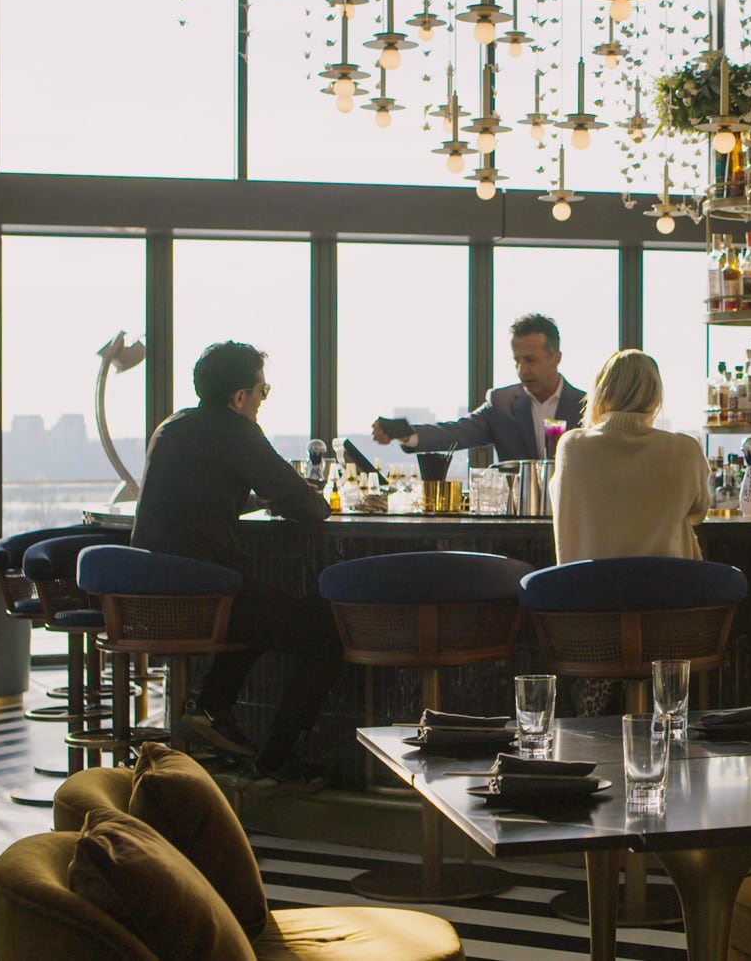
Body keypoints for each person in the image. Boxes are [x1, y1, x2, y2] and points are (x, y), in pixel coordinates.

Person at [131, 340, 339, 789]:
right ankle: (278, 761)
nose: (263, 401)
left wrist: (254, 496)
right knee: (328, 631)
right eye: (263, 392)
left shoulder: (175, 425)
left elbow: (197, 494)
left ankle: (210, 709)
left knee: (263, 609)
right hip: (200, 594)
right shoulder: (235, 430)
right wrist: (291, 495)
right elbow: (307, 505)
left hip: (150, 594)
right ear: (241, 397)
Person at [549, 349, 711, 564]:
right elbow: (698, 513)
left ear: (599, 393)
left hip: (589, 591)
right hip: (670, 590)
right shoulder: (685, 448)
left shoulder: (573, 446)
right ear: (654, 397)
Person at [370, 313, 585, 462]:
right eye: (516, 361)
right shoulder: (501, 403)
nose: (522, 370)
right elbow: (455, 432)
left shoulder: (588, 406)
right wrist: (406, 434)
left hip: (574, 520)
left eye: (530, 360)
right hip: (519, 523)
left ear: (555, 358)